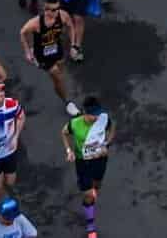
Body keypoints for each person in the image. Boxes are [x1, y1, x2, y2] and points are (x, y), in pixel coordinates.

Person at [60, 96, 111, 231]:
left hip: (100, 160)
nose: (95, 118)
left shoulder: (103, 119)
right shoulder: (75, 123)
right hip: (83, 162)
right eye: (92, 115)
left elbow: (112, 129)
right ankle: (90, 224)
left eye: (97, 114)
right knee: (89, 196)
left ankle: (91, 189)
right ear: (84, 112)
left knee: (97, 186)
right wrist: (68, 150)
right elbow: (64, 133)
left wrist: (107, 144)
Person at [18, 0, 75, 101]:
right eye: (53, 10)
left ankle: (59, 88)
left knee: (59, 77)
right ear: (46, 9)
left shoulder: (63, 16)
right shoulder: (35, 23)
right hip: (42, 54)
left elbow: (70, 26)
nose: (56, 12)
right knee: (56, 74)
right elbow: (22, 33)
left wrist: (73, 45)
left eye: (58, 8)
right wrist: (27, 51)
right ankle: (67, 101)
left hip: (57, 48)